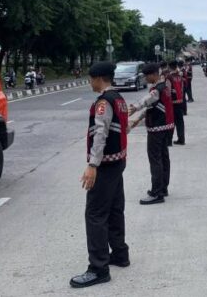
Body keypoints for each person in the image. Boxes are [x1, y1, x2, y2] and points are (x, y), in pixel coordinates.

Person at [70, 62, 130, 289]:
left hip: (105, 165)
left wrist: (92, 165)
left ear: (98, 78)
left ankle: (98, 268)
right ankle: (120, 254)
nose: (90, 83)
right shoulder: (119, 98)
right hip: (118, 161)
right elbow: (121, 128)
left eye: (90, 79)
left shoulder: (104, 102)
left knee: (95, 214)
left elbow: (100, 134)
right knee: (115, 209)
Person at [129, 63, 174, 205]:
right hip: (165, 127)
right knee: (163, 158)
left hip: (157, 128)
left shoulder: (157, 89)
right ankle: (163, 188)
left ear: (154, 74)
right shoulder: (164, 87)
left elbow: (148, 100)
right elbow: (152, 107)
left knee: (155, 160)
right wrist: (138, 119)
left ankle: (157, 193)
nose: (145, 79)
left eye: (146, 76)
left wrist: (135, 107)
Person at [167, 60, 186, 145]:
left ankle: (169, 141)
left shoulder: (169, 77)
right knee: (180, 121)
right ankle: (181, 139)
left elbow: (167, 91)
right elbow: (182, 88)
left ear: (169, 67)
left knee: (171, 121)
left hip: (172, 102)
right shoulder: (179, 76)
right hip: (180, 101)